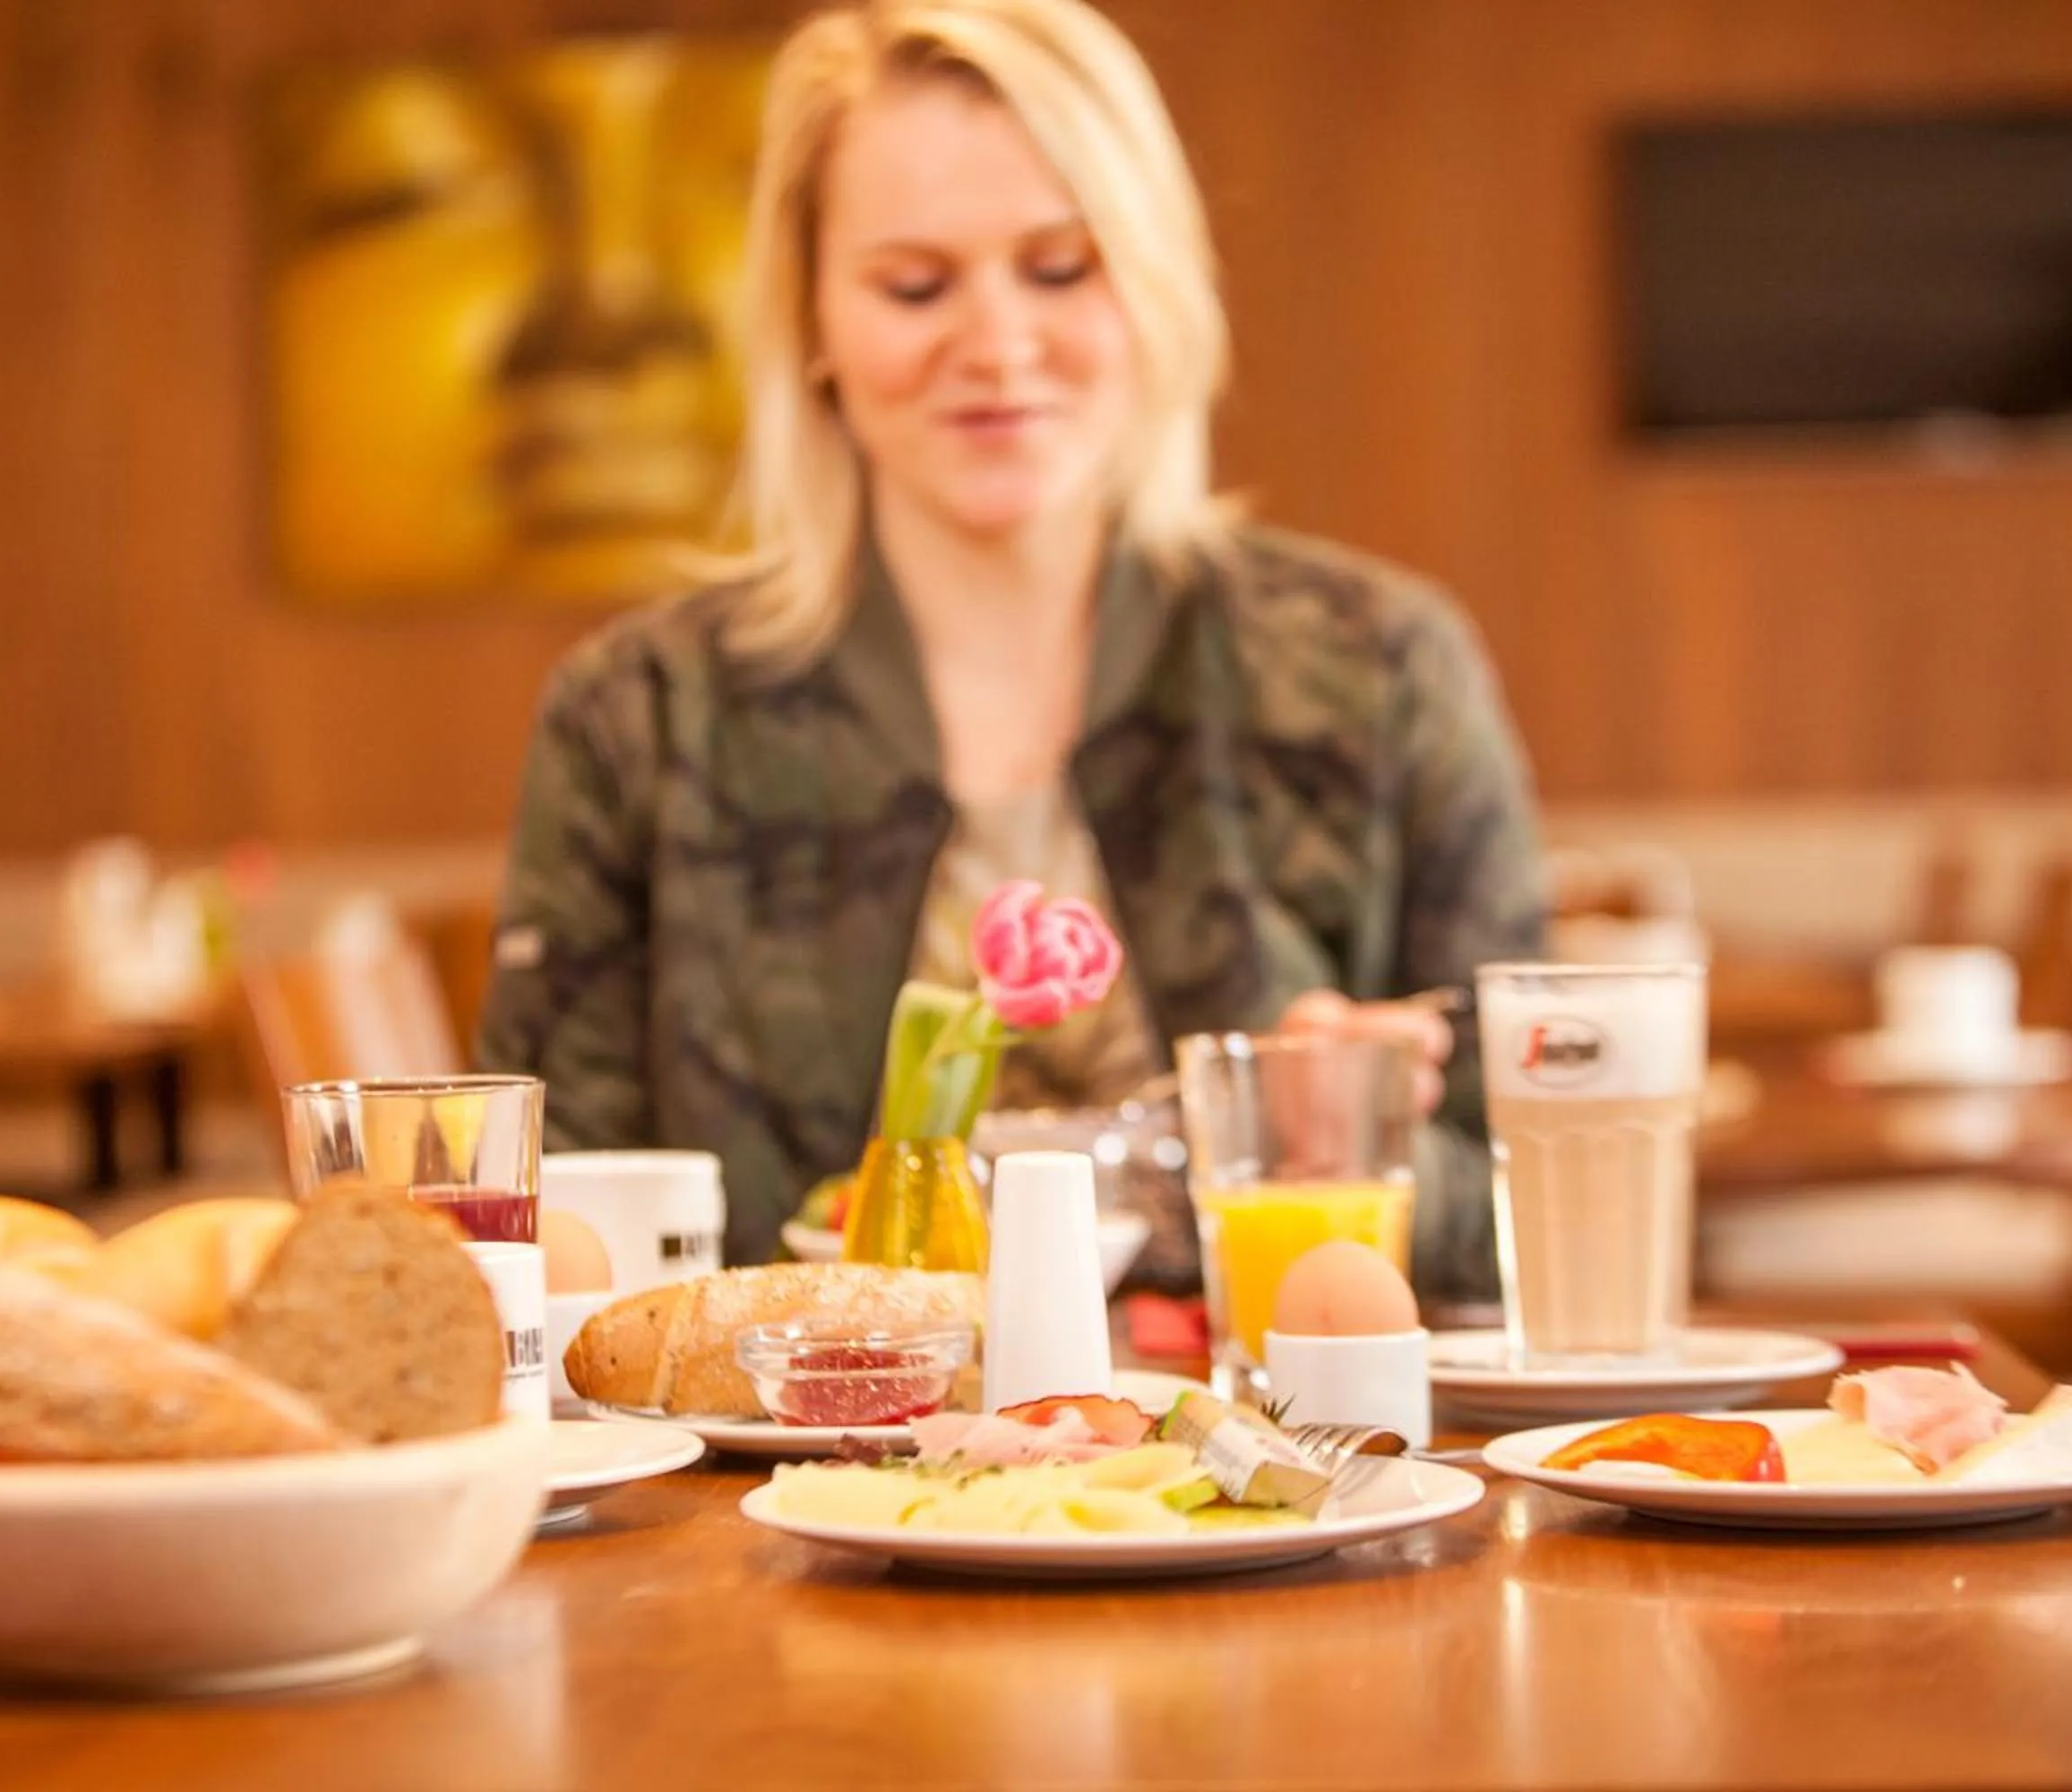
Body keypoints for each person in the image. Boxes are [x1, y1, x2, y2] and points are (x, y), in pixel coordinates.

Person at [474, 0, 1548, 1296]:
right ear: (810, 318)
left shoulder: (1376, 674)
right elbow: (546, 1226)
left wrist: (1351, 1151)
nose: (995, 347)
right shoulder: (642, 719)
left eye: (1060, 269)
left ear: (1152, 285)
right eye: (914, 287)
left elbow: (1535, 1212)